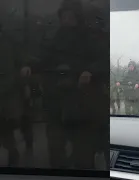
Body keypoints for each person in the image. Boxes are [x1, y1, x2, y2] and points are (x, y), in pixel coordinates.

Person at [23, 0, 107, 169]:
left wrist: (90, 71)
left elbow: (104, 60)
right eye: (64, 16)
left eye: (70, 16)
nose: (66, 20)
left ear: (77, 17)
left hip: (83, 101)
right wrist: (30, 66)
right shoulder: (56, 37)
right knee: (55, 146)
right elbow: (44, 58)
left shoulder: (91, 36)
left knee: (83, 152)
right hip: (57, 100)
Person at [0, 23, 26, 166]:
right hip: (8, 88)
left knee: (6, 124)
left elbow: (20, 62)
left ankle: (12, 151)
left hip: (7, 90)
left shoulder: (10, 42)